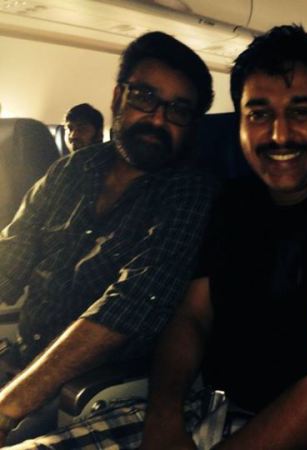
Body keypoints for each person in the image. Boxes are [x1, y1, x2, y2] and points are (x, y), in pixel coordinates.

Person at [8, 25, 307, 450]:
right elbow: (191, 319)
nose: (279, 135)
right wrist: (163, 418)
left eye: (300, 112)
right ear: (240, 125)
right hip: (204, 407)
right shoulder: (231, 201)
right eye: (259, 114)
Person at [0, 31, 218, 445]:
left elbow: (131, 305)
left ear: (191, 126)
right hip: (23, 362)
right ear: (118, 97)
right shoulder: (70, 171)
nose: (157, 119)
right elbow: (10, 258)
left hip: (96, 390)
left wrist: (8, 406)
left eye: (178, 110)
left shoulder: (188, 193)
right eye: (144, 97)